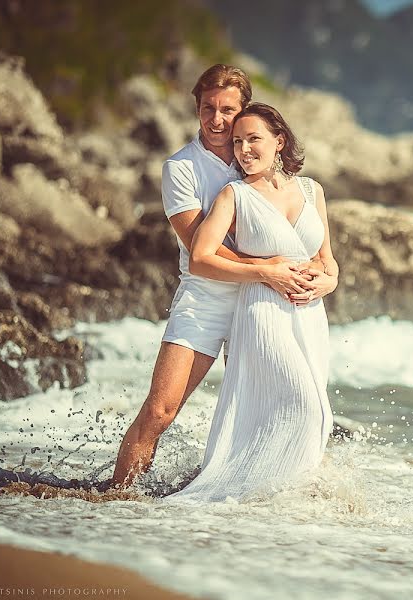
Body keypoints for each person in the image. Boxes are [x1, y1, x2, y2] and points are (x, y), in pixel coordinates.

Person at [110, 65, 321, 488]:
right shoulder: (182, 168)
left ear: (244, 112)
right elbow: (197, 246)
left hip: (260, 303)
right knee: (160, 411)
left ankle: (246, 497)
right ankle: (116, 499)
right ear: (197, 107)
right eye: (209, 108)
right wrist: (268, 269)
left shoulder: (257, 161)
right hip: (206, 298)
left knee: (270, 410)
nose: (218, 120)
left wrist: (310, 275)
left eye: (228, 110)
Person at [165, 102, 338, 502]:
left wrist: (325, 285)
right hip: (263, 313)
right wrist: (265, 271)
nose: (243, 149)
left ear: (280, 141)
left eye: (253, 139)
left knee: (306, 411)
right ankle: (246, 489)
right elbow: (201, 258)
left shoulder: (313, 191)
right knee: (308, 407)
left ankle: (276, 499)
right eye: (238, 142)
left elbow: (327, 260)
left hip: (311, 315)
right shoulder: (235, 194)